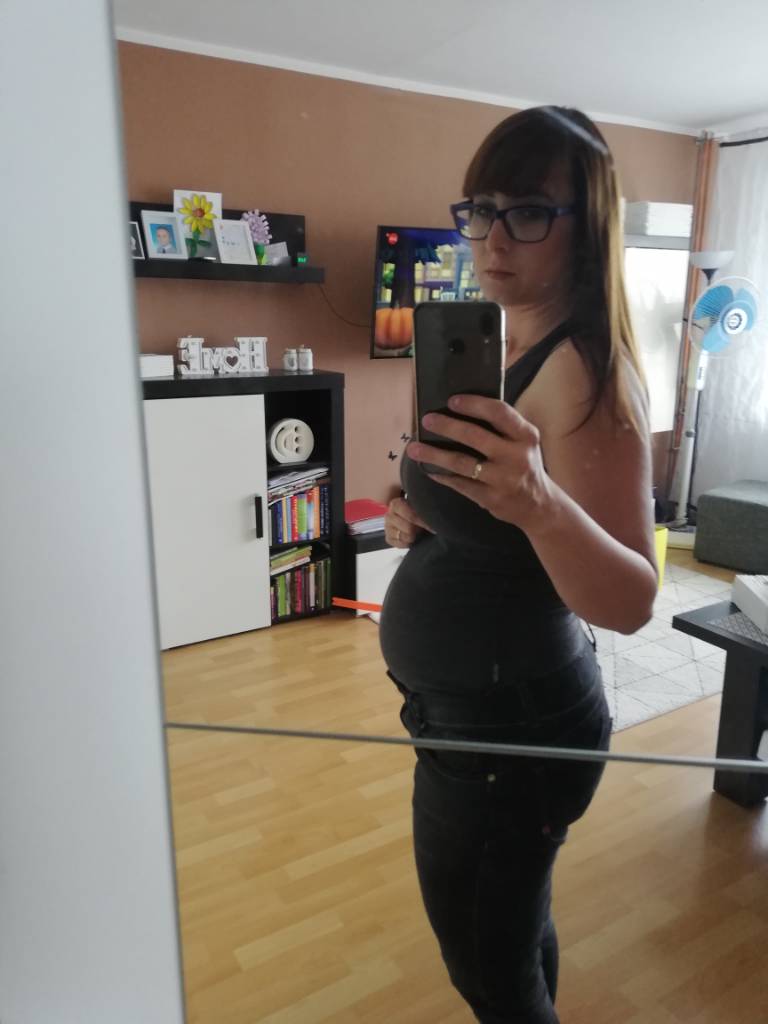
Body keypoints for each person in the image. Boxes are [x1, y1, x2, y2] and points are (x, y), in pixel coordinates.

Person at [378, 106, 658, 1024]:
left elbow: (631, 600)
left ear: (590, 226)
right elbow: (497, 528)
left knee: (487, 966)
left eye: (529, 211)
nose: (493, 237)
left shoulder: (583, 372)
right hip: (478, 720)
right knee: (512, 930)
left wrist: (536, 500)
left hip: (513, 733)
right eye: (481, 209)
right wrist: (424, 516)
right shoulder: (502, 347)